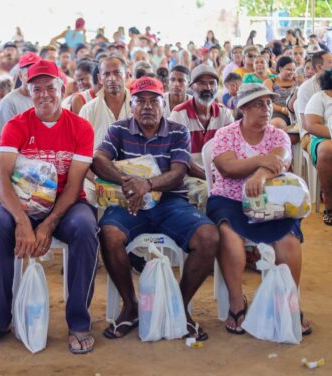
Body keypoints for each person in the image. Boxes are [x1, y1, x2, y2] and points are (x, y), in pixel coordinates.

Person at [0, 59, 98, 354]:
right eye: (36, 89)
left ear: (61, 89)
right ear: (28, 91)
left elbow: (75, 184)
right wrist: (23, 221)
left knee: (85, 227)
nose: (43, 95)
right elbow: (1, 177)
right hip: (21, 203)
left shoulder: (81, 127)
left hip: (65, 205)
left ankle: (79, 322)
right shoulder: (17, 125)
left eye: (50, 88)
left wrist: (49, 223)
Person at [93, 77, 219, 341]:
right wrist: (128, 182)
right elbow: (99, 159)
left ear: (164, 104)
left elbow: (178, 172)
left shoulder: (177, 131)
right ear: (132, 105)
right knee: (109, 233)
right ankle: (130, 306)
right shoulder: (118, 129)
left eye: (154, 101)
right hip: (130, 202)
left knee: (208, 237)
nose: (147, 106)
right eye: (140, 101)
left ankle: (178, 306)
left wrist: (148, 184)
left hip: (171, 202)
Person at [206, 83, 312, 335]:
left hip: (271, 201)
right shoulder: (226, 134)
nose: (265, 109)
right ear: (242, 108)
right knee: (230, 238)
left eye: (266, 103)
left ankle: (288, 302)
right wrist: (261, 161)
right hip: (229, 200)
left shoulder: (277, 134)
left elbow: (282, 158)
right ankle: (236, 302)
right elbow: (227, 168)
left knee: (288, 240)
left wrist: (260, 175)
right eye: (256, 104)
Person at [169, 64, 234, 211]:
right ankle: (210, 232)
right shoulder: (179, 114)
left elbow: (232, 151)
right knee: (207, 193)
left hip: (220, 174)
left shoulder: (224, 113)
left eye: (212, 83)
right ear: (191, 87)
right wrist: (210, 178)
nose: (207, 87)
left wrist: (222, 176)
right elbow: (182, 159)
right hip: (190, 177)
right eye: (201, 83)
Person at [79, 56, 131, 149]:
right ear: (99, 78)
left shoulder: (138, 107)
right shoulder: (88, 110)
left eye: (117, 72)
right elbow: (81, 148)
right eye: (106, 74)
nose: (112, 78)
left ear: (127, 76)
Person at [304, 69, 332, 225]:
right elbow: (312, 125)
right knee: (328, 150)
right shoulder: (320, 97)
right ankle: (330, 206)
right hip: (324, 138)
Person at [0, 52, 40, 144]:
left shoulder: (45, 99)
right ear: (20, 76)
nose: (32, 78)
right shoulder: (9, 101)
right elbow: (6, 139)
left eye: (35, 73)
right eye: (28, 73)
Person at [263, 56, 297, 130]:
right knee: (277, 124)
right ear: (280, 69)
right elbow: (268, 102)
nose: (292, 72)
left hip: (297, 112)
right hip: (278, 113)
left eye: (293, 70)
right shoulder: (270, 82)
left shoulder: (298, 81)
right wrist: (284, 110)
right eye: (288, 69)